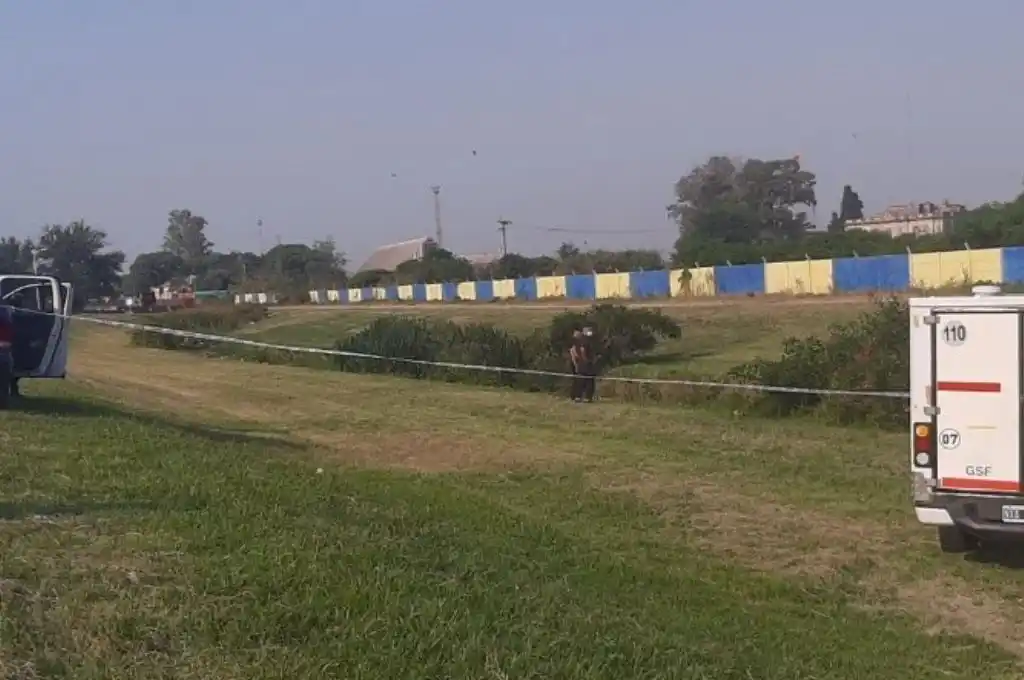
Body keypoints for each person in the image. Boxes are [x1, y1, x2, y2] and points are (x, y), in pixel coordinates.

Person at [568, 328, 597, 402]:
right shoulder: (585, 341)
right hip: (585, 364)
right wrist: (586, 360)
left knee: (581, 380)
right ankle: (585, 397)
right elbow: (582, 350)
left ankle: (580, 397)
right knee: (587, 381)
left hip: (582, 364)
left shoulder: (582, 341)